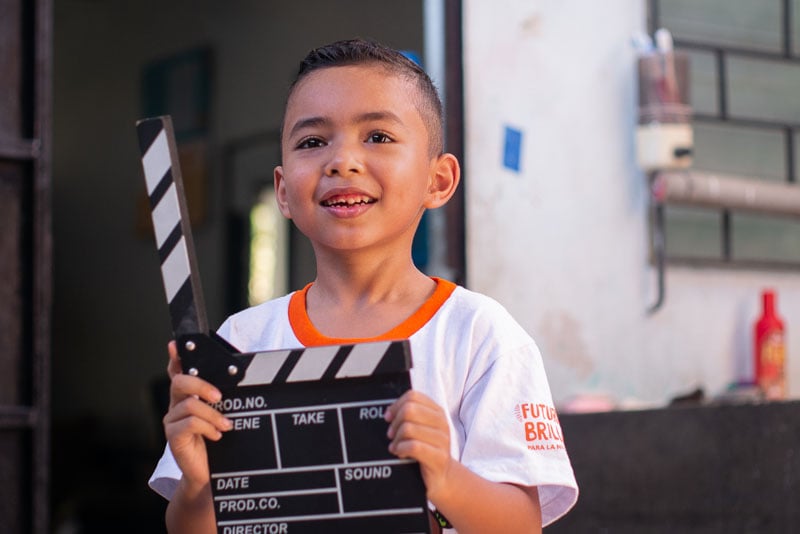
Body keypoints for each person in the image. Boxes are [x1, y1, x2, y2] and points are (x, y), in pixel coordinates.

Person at [149, 38, 578, 533]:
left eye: (377, 136)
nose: (342, 161)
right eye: (313, 142)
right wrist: (200, 487)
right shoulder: (240, 343)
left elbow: (520, 525)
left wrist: (443, 476)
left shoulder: (480, 336)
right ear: (284, 192)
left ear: (438, 180)